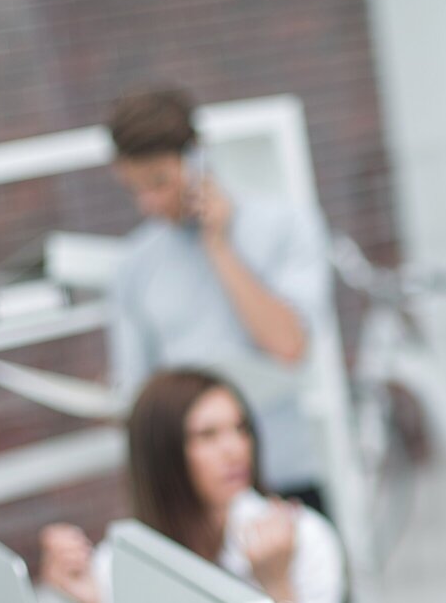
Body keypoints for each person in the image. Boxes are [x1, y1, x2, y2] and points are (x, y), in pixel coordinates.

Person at [38, 370, 400, 603]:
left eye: (240, 429)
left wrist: (278, 588)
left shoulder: (300, 535)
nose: (234, 449)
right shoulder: (120, 565)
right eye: (207, 435)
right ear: (162, 455)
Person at [106, 85, 332, 508]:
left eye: (159, 182)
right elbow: (136, 393)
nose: (149, 203)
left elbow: (289, 345)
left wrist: (219, 246)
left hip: (284, 476)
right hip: (192, 498)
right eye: (135, 188)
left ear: (196, 159)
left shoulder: (284, 225)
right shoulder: (134, 265)